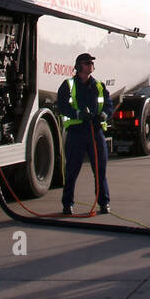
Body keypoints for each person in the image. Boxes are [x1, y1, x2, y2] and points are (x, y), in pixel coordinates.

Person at [56, 52, 113, 216]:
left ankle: (104, 203)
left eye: (91, 63)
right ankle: (67, 205)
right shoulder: (68, 85)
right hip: (77, 133)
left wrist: (105, 114)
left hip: (96, 133)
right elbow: (62, 106)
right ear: (79, 66)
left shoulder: (99, 86)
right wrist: (78, 114)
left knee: (100, 171)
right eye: (87, 63)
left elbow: (108, 104)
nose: (90, 65)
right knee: (72, 171)